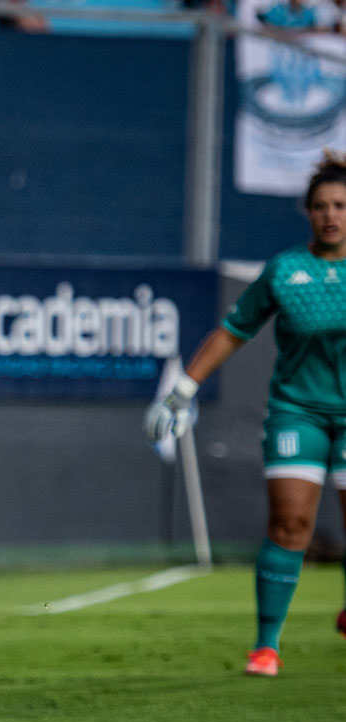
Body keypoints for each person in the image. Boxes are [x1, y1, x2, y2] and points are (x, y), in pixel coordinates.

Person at [145, 151, 346, 677]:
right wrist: (182, 390)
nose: (332, 215)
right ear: (308, 212)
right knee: (290, 523)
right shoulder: (284, 270)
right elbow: (233, 329)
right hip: (297, 411)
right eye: (322, 205)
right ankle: (266, 645)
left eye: (342, 205)